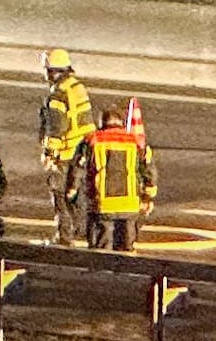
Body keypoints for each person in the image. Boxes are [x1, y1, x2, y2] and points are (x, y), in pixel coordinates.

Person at [67, 108, 158, 252]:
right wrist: (148, 197)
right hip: (130, 206)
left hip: (101, 205)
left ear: (102, 123)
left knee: (101, 253)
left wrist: (72, 190)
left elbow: (78, 168)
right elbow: (149, 172)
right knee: (126, 250)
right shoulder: (137, 142)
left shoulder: (92, 141)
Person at [38, 48, 94, 245]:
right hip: (83, 151)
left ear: (52, 70)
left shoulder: (58, 94)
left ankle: (64, 236)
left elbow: (56, 127)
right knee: (78, 194)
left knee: (60, 195)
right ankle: (87, 235)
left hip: (66, 153)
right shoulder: (77, 87)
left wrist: (50, 153)